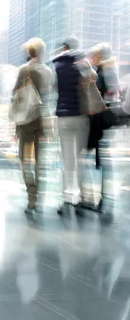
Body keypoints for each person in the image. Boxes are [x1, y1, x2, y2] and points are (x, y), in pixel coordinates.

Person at [12, 38, 53, 214]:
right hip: (41, 119)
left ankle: (32, 196)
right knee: (39, 160)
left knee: (24, 159)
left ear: (29, 52)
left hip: (26, 120)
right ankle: (39, 197)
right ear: (42, 52)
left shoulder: (24, 69)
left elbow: (16, 93)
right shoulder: (48, 71)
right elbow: (49, 95)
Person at [52, 36, 92, 216]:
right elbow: (94, 77)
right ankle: (82, 198)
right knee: (80, 158)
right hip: (81, 116)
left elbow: (54, 88)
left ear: (64, 48)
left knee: (67, 160)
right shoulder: (82, 64)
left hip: (63, 118)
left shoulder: (58, 67)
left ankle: (67, 199)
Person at [85, 43, 120, 220]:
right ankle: (103, 200)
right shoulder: (110, 71)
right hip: (105, 123)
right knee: (103, 162)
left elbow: (98, 97)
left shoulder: (102, 73)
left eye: (94, 55)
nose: (92, 58)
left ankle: (102, 201)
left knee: (102, 162)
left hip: (100, 123)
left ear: (100, 57)